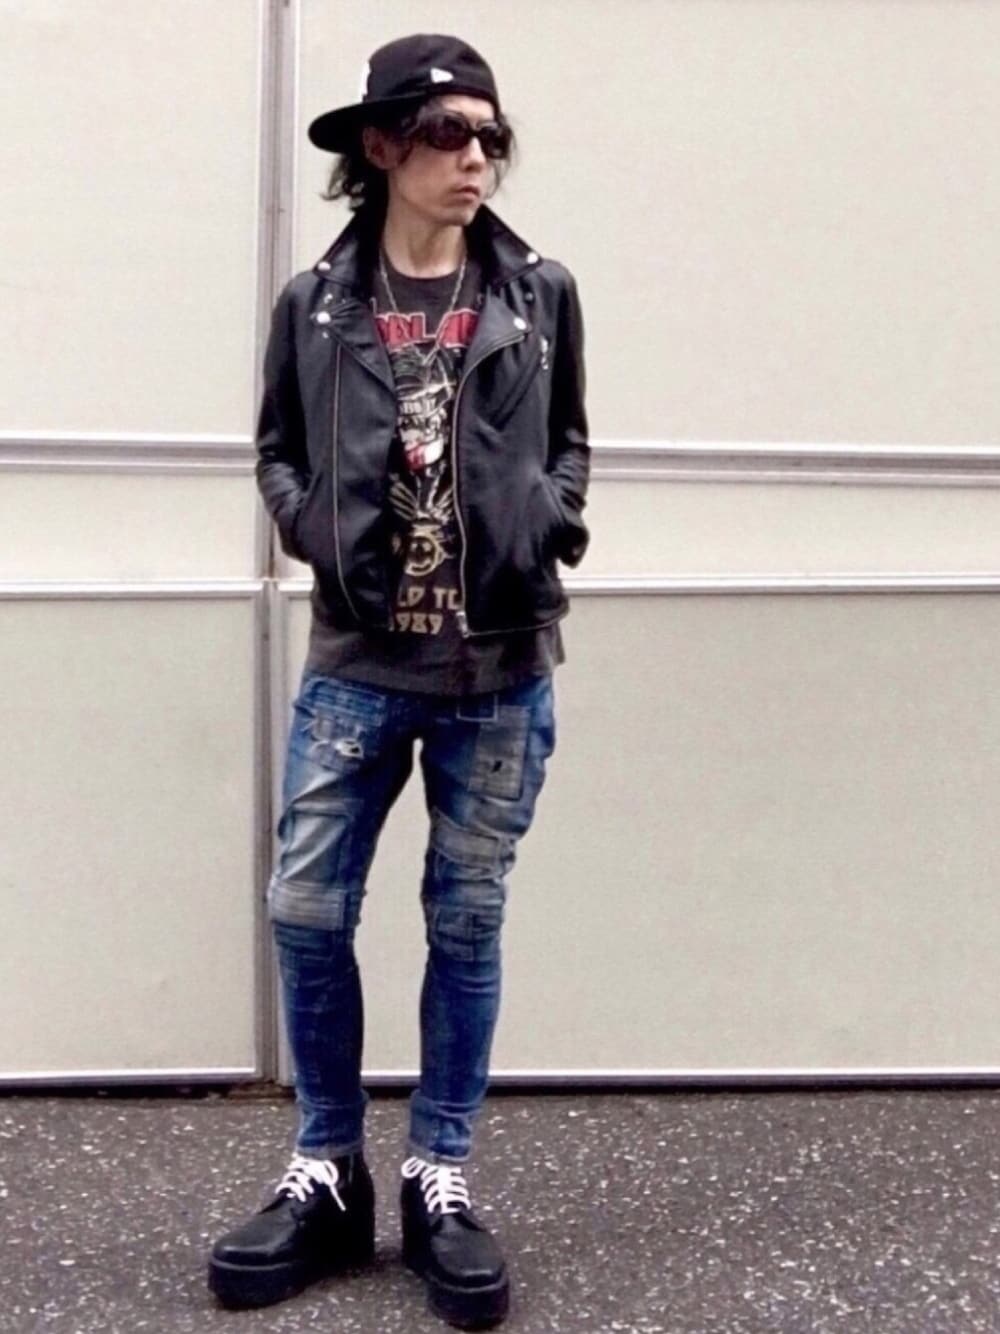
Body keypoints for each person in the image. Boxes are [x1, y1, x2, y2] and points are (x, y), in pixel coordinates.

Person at [208, 32, 589, 1330]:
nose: (475, 157)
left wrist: (549, 520)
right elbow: (275, 445)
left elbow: (570, 442)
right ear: (381, 149)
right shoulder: (316, 303)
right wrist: (312, 528)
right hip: (359, 665)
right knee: (307, 907)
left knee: (465, 920)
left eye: (490, 136)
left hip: (499, 664)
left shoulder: (538, 292)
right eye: (446, 134)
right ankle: (327, 1165)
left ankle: (440, 1173)